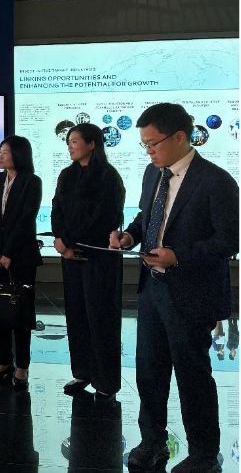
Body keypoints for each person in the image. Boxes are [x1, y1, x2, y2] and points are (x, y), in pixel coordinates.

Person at [110, 102, 240, 473]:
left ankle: (203, 454)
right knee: (149, 371)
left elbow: (231, 238)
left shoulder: (215, 180)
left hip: (191, 294)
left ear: (179, 137)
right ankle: (152, 440)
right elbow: (147, 216)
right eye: (144, 145)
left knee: (192, 375)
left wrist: (178, 256)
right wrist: (129, 235)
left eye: (153, 144)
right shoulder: (154, 173)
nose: (148, 151)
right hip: (152, 289)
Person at [51, 122, 125, 401]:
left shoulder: (108, 176)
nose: (70, 146)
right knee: (77, 314)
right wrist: (61, 240)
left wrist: (70, 240)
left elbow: (103, 217)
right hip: (70, 256)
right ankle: (82, 371)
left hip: (97, 256)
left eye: (74, 141)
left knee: (101, 317)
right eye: (68, 141)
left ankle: (106, 381)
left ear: (92, 144)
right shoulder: (67, 174)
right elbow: (57, 209)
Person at [0, 136, 42, 392]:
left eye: (5, 152)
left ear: (18, 154)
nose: (0, 156)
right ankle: (3, 362)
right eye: (0, 151)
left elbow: (27, 219)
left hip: (22, 256)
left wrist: (9, 252)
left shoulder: (32, 181)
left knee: (21, 313)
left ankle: (22, 367)